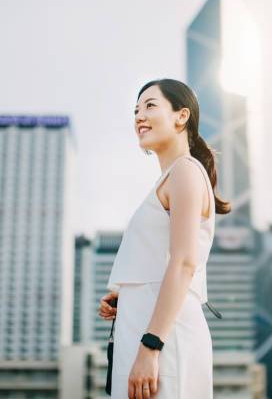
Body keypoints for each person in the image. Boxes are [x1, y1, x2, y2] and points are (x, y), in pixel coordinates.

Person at [98, 78, 231, 398]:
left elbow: (184, 263)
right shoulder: (170, 179)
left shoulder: (185, 171)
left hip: (163, 340)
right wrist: (125, 294)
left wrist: (151, 347)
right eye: (135, 110)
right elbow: (158, 259)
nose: (139, 116)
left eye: (150, 106)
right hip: (145, 332)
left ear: (181, 116)